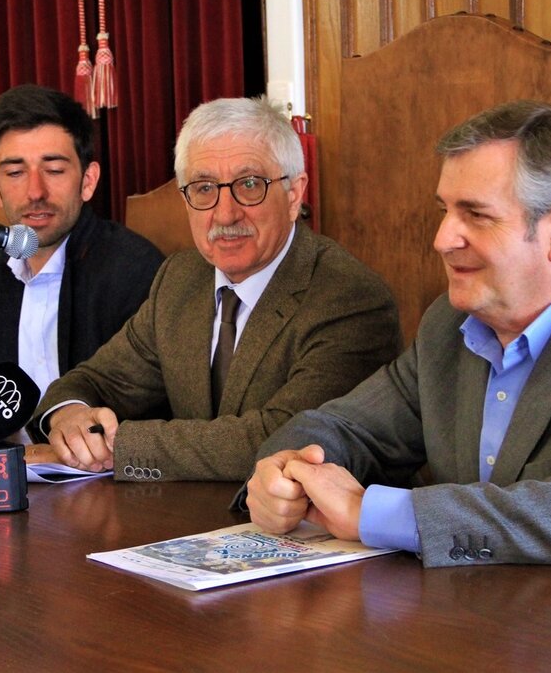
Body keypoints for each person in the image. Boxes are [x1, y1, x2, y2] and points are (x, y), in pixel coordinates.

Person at [243, 100, 551, 574]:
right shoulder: (449, 324)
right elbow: (347, 428)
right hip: (480, 620)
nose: (443, 239)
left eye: (476, 215)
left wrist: (373, 514)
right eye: (445, 211)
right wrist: (283, 473)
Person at [28, 96, 402, 481]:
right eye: (204, 188)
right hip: (187, 522)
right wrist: (69, 415)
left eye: (250, 184)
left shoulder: (349, 297)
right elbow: (97, 381)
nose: (225, 214)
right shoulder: (181, 277)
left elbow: (284, 439)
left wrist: (115, 447)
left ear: (294, 194)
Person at [0, 84, 164, 408]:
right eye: (16, 172)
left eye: (54, 170)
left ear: (87, 181)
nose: (35, 191)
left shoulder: (134, 272)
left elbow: (144, 412)